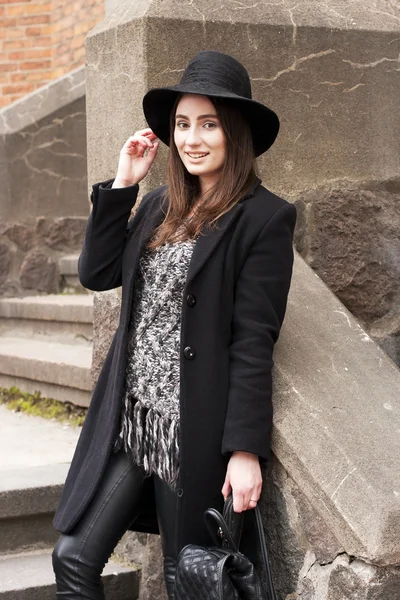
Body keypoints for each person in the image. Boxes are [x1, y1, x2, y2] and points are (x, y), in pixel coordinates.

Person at [51, 50, 297, 599]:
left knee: (184, 578)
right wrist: (123, 184)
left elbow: (254, 339)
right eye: (182, 125)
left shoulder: (263, 217)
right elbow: (97, 274)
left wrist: (245, 450)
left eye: (208, 124)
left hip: (195, 430)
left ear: (235, 132)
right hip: (133, 420)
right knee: (72, 557)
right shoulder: (161, 202)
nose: (192, 138)